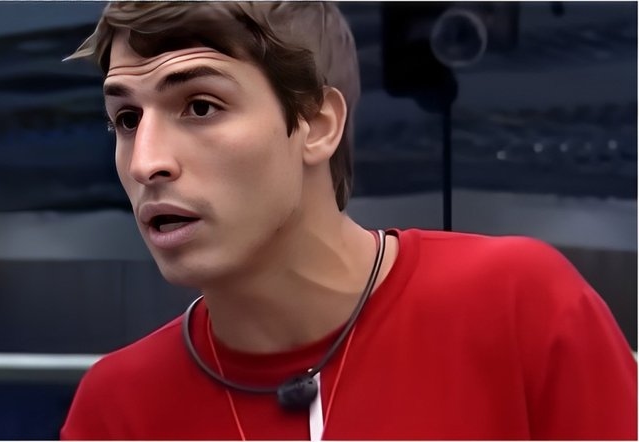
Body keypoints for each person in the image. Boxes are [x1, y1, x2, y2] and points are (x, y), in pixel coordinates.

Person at [61, 2, 637, 440]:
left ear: (317, 124)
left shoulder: (517, 305)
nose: (146, 162)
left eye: (200, 106)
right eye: (127, 118)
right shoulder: (116, 407)